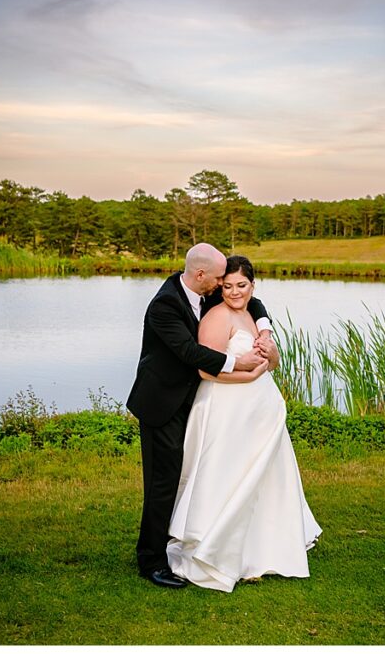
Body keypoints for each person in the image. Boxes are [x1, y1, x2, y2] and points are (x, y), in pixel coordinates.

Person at [166, 255, 322, 592]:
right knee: (227, 474)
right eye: (228, 286)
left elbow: (274, 362)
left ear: (253, 286)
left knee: (263, 479)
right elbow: (206, 370)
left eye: (242, 285)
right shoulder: (216, 317)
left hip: (261, 413)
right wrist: (249, 374)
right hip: (227, 410)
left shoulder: (254, 315)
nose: (235, 292)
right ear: (219, 286)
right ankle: (215, 547)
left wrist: (270, 352)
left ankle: (262, 548)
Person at [127, 243, 277, 589]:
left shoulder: (205, 294)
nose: (224, 285)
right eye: (219, 279)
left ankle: (183, 537)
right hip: (161, 404)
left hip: (193, 401)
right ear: (200, 275)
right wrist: (240, 364)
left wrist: (265, 329)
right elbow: (189, 351)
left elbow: (252, 301)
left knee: (190, 475)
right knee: (162, 482)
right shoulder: (165, 305)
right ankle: (151, 561)